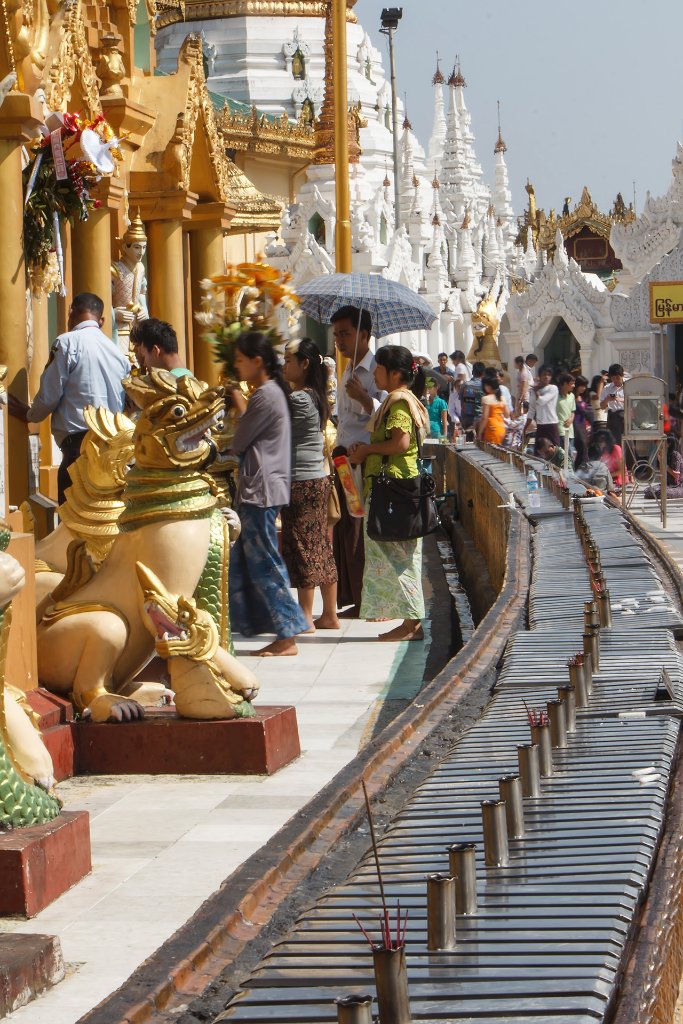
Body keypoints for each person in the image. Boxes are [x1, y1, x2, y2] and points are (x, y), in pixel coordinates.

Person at [227, 332, 309, 657]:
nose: (236, 366)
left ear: (257, 361)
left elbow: (239, 439)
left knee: (265, 562)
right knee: (244, 561)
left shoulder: (265, 395)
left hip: (259, 488)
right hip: (262, 485)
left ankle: (287, 634)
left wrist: (236, 403)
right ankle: (256, 626)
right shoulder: (271, 393)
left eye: (240, 360)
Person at [9, 292, 130, 506]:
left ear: (71, 312)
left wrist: (28, 414)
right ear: (101, 321)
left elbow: (49, 395)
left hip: (79, 450)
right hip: (112, 452)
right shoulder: (119, 355)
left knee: (73, 525)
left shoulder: (66, 343)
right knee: (108, 520)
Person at [348, 345, 428, 642]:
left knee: (399, 557)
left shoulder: (398, 403)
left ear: (394, 373)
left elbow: (400, 444)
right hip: (397, 487)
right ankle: (410, 624)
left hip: (394, 489)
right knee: (398, 556)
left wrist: (368, 449)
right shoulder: (404, 401)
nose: (375, 374)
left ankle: (412, 625)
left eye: (379, 368)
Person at [280, 339, 339, 632]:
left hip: (301, 480)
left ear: (304, 364)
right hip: (316, 477)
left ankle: (305, 615)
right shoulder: (315, 396)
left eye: (289, 360)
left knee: (302, 545)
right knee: (320, 544)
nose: (284, 366)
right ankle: (329, 614)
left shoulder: (299, 399)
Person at [330, 306, 386, 618]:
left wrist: (365, 397)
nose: (339, 339)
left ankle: (367, 599)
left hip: (363, 460)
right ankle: (354, 596)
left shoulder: (376, 369)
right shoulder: (347, 368)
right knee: (346, 528)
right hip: (343, 459)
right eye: (336, 334)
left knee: (360, 527)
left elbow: (388, 414)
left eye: (346, 333)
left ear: (364, 334)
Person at [530, 364, 560, 454]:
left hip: (551, 423)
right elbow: (532, 408)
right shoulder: (534, 390)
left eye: (548, 375)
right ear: (540, 376)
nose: (546, 377)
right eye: (544, 374)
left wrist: (536, 391)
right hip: (540, 424)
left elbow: (542, 401)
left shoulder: (553, 388)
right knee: (538, 452)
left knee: (555, 450)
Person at [600, 363, 627, 443]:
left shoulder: (629, 385)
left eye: (617, 377)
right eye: (612, 378)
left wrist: (619, 399)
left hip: (626, 417)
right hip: (613, 418)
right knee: (614, 444)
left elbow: (634, 401)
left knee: (628, 444)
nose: (615, 380)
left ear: (622, 375)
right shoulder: (607, 388)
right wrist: (607, 400)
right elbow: (602, 406)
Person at [477, 372, 507, 444]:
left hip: (491, 429)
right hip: (501, 429)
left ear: (488, 386)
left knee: (490, 453)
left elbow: (484, 418)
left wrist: (479, 432)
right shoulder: (502, 398)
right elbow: (507, 414)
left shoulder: (486, 398)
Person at [459, 361, 485, 434]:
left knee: (467, 442)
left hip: (467, 419)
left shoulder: (465, 385)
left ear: (473, 372)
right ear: (483, 373)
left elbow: (461, 402)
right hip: (481, 419)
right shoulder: (485, 387)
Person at [573, 375, 591, 469]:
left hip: (583, 424)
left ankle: (581, 467)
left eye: (585, 386)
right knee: (581, 445)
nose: (584, 388)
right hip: (575, 424)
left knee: (584, 446)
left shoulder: (583, 397)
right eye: (582, 385)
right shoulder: (571, 397)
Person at [556, 372, 576, 459]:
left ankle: (570, 472)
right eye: (571, 383)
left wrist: (571, 419)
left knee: (570, 455)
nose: (574, 386)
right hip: (560, 430)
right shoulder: (555, 396)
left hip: (570, 431)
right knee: (565, 455)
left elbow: (573, 411)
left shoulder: (572, 396)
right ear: (564, 384)